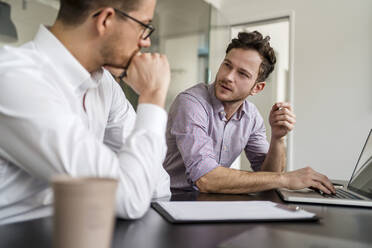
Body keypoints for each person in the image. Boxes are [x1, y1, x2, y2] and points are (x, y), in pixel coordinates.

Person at [0, 0, 171, 225]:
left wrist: (132, 177)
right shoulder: (15, 78)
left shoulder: (104, 84)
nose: (146, 41)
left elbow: (157, 184)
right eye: (143, 26)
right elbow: (130, 197)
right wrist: (154, 94)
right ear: (105, 20)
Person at [164, 31, 336, 195]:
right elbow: (206, 179)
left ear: (257, 88)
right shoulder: (191, 103)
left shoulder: (251, 116)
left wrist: (278, 138)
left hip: (208, 201)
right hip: (169, 199)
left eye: (242, 74)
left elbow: (268, 177)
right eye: (227, 65)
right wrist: (286, 179)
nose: (229, 77)